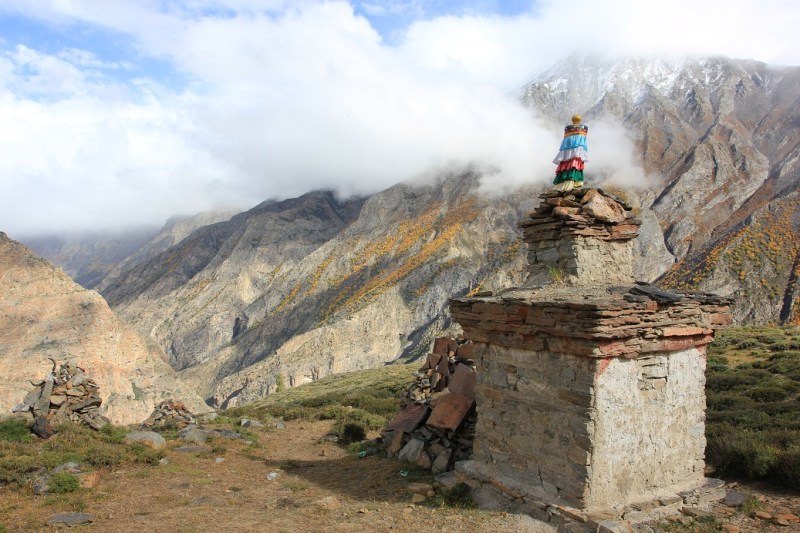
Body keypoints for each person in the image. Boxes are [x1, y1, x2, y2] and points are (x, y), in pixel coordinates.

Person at [552, 114, 588, 192]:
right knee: (574, 163)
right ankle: (573, 181)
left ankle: (570, 181)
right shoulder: (583, 128)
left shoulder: (568, 129)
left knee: (571, 162)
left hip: (569, 148)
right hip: (578, 148)